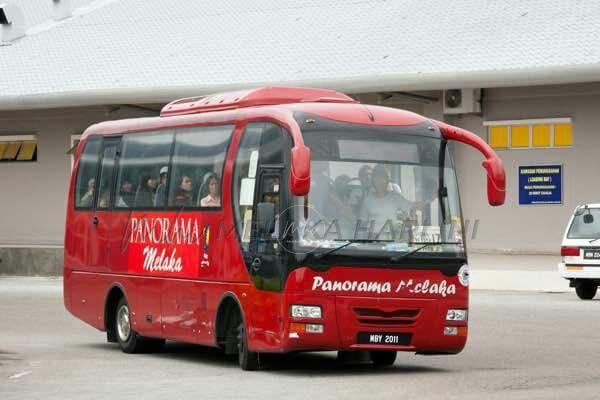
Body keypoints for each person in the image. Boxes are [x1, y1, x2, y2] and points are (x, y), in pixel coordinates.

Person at [360, 164, 412, 239]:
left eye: (383, 178)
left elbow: (410, 214)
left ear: (388, 180)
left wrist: (406, 222)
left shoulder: (396, 197)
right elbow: (362, 223)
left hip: (393, 240)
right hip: (372, 240)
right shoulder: (367, 200)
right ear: (373, 180)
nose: (380, 182)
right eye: (377, 178)